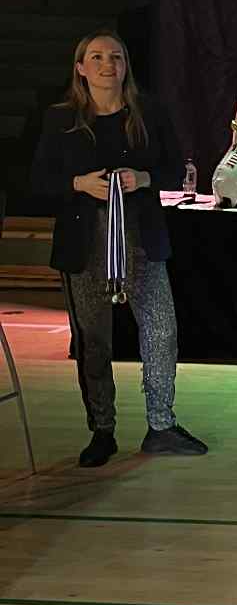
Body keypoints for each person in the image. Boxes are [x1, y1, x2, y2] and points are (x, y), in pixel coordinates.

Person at [30, 33, 206, 467]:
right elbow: (36, 181)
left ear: (126, 65)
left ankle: (161, 425)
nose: (107, 64)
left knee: (161, 331)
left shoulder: (149, 113)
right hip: (85, 243)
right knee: (93, 340)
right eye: (96, 57)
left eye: (116, 57)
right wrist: (78, 184)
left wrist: (144, 179)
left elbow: (175, 169)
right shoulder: (61, 118)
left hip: (141, 238)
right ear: (80, 68)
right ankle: (102, 430)